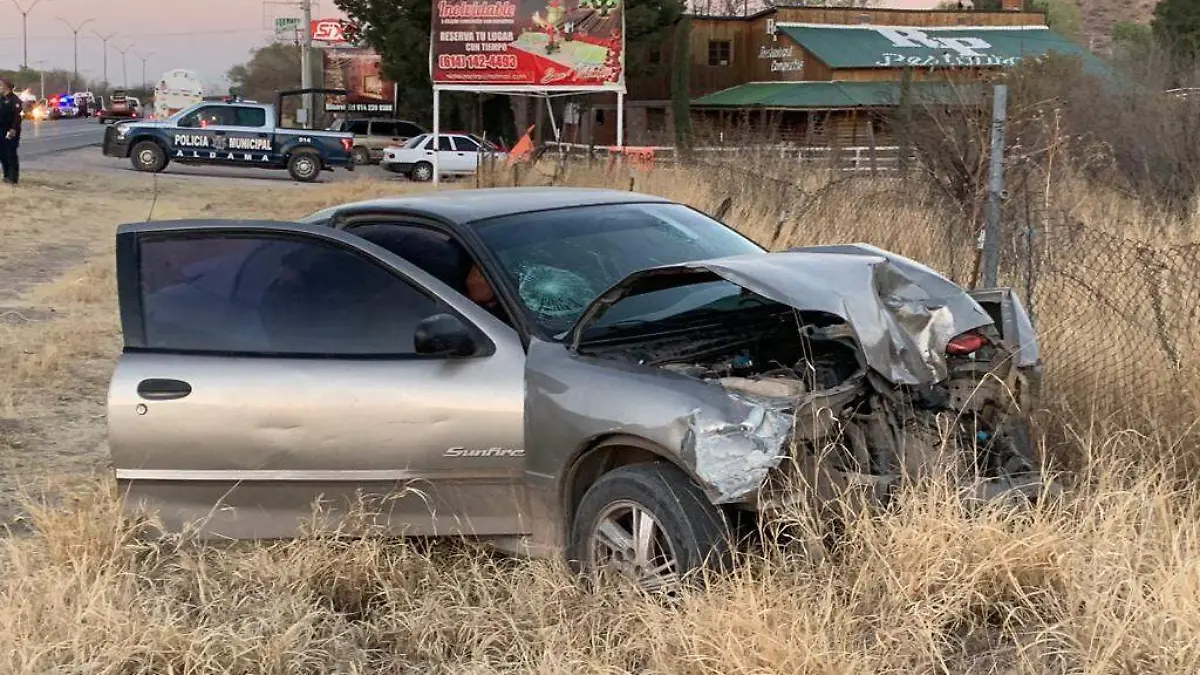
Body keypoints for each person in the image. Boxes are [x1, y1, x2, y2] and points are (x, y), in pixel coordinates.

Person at [0, 77, 22, 185]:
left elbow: (17, 116)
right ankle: (7, 175)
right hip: (1, 129)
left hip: (11, 130)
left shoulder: (15, 100)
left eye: (1, 85)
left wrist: (13, 129)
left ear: (7, 87)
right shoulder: (1, 99)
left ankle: (13, 177)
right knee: (2, 154)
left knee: (10, 153)